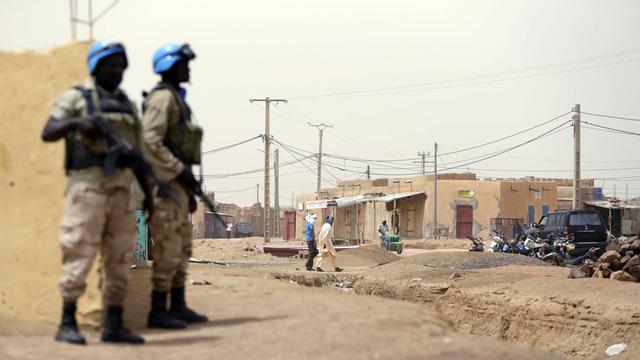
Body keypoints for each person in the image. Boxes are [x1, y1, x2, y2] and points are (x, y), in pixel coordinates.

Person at [40, 40, 145, 345]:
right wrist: (77, 122)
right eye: (110, 65)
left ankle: (113, 323)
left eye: (120, 65)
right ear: (96, 67)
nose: (116, 71)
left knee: (120, 258)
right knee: (79, 253)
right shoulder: (76, 97)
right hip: (87, 189)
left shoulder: (128, 105)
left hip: (122, 191)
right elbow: (48, 131)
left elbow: (137, 154)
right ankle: (67, 321)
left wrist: (148, 194)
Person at [141, 43, 208, 329]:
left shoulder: (178, 100)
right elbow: (150, 141)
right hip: (164, 186)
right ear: (169, 66)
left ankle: (178, 305)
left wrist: (189, 188)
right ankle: (158, 310)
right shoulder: (162, 99)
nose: (188, 69)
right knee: (168, 248)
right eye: (183, 64)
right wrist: (180, 172)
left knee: (182, 247)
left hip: (178, 187)